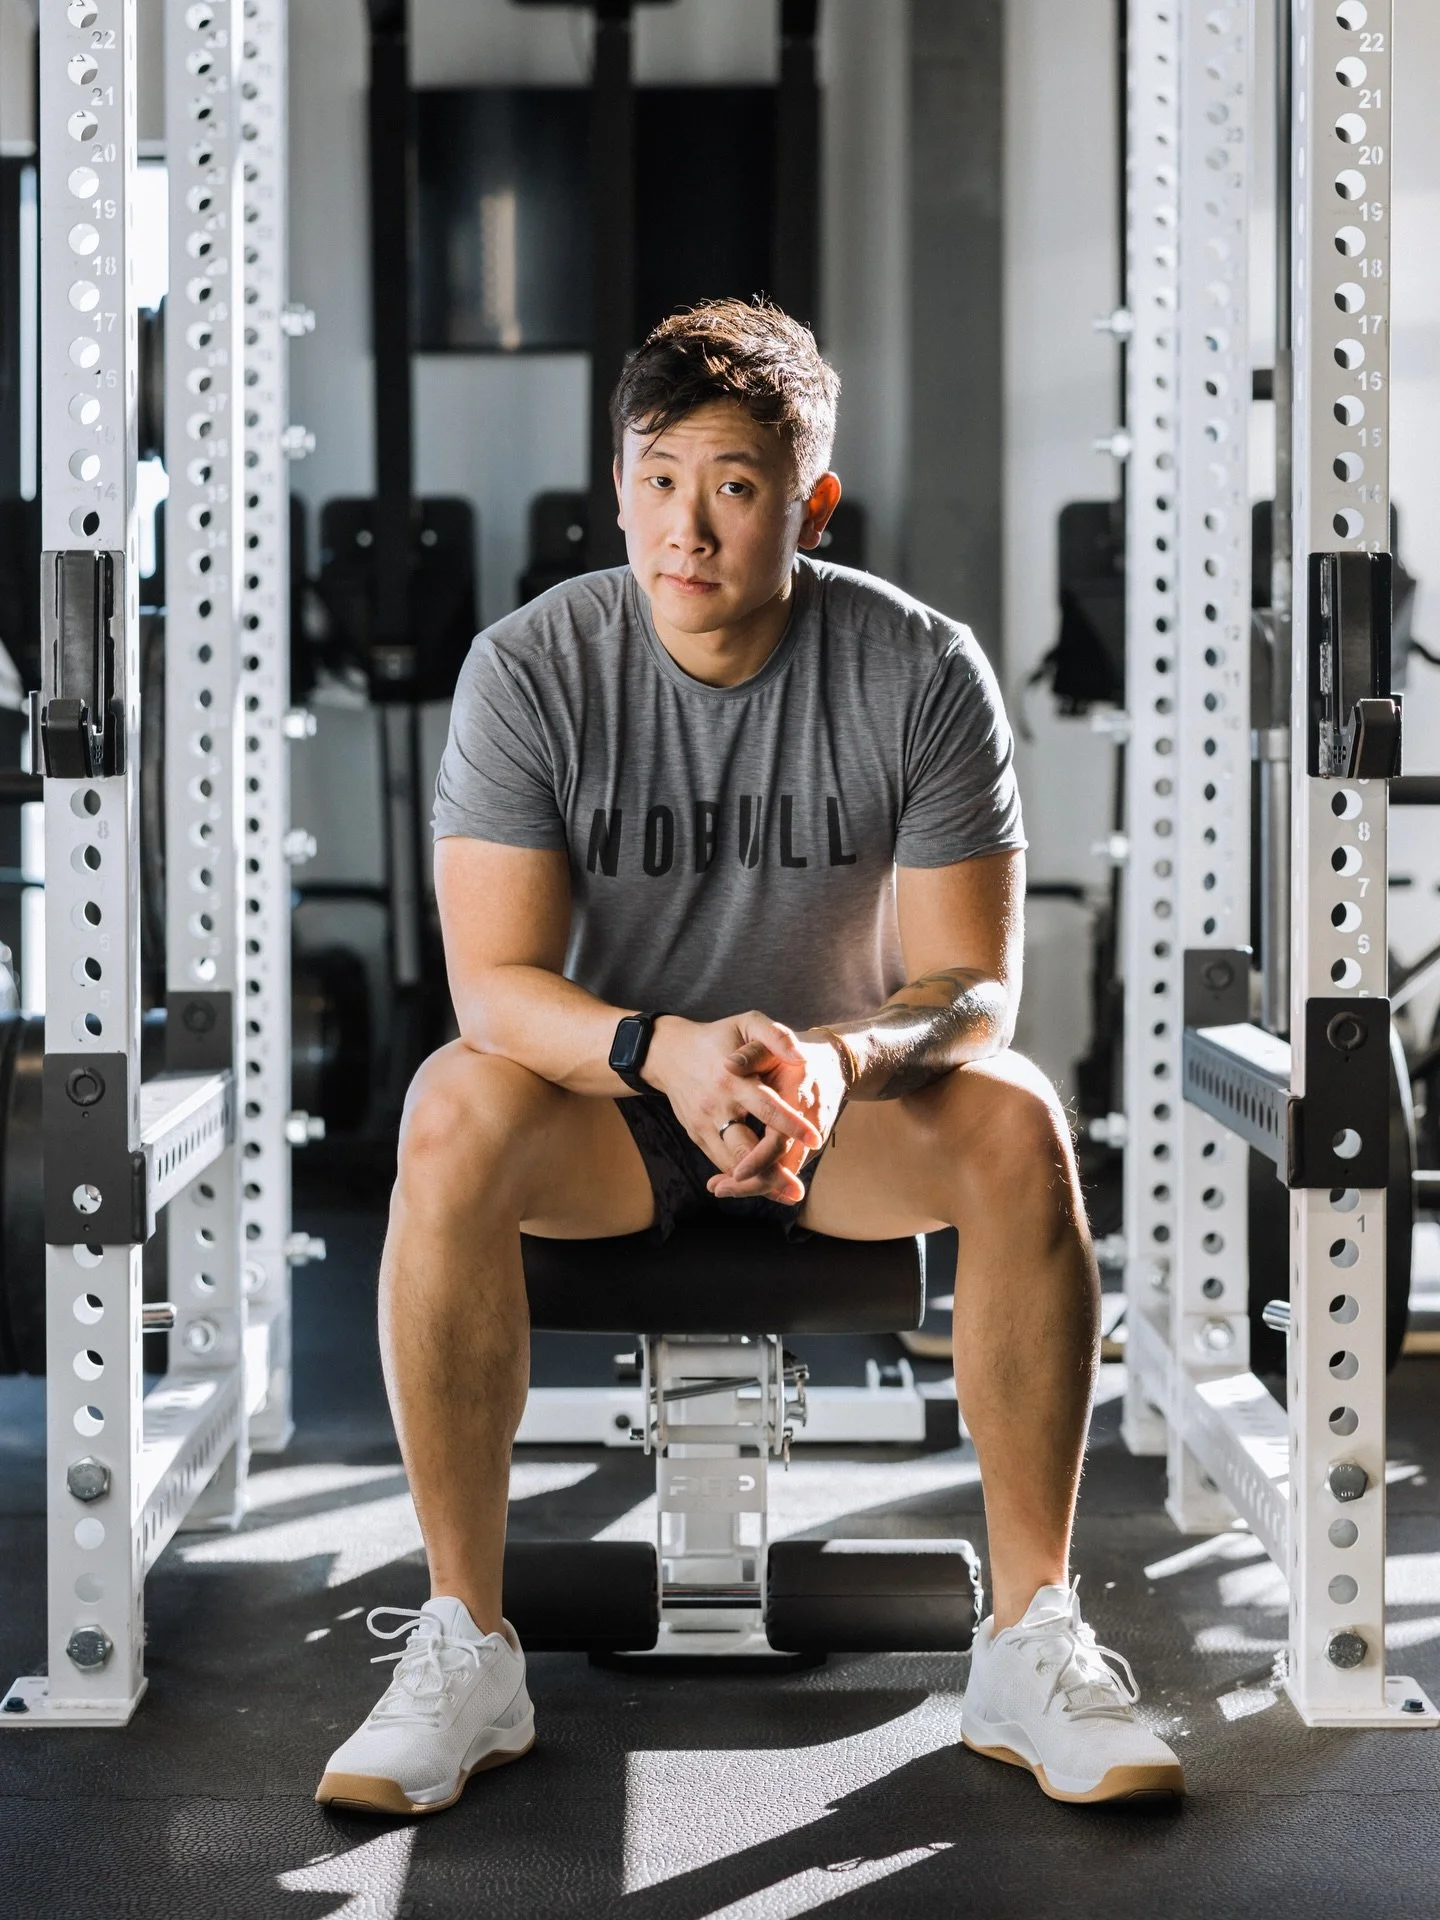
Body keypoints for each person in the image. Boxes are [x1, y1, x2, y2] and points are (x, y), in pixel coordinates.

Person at [315, 297, 1184, 1817]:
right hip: (620, 1107)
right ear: (618, 486)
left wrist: (839, 1063)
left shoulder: (920, 668)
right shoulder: (534, 668)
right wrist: (660, 1054)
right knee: (452, 1105)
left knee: (1020, 1116)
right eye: (656, 479)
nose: (686, 526)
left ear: (809, 502)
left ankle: (1030, 1637)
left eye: (730, 484)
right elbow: (493, 989)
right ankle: (467, 1642)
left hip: (831, 1115)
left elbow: (974, 985)